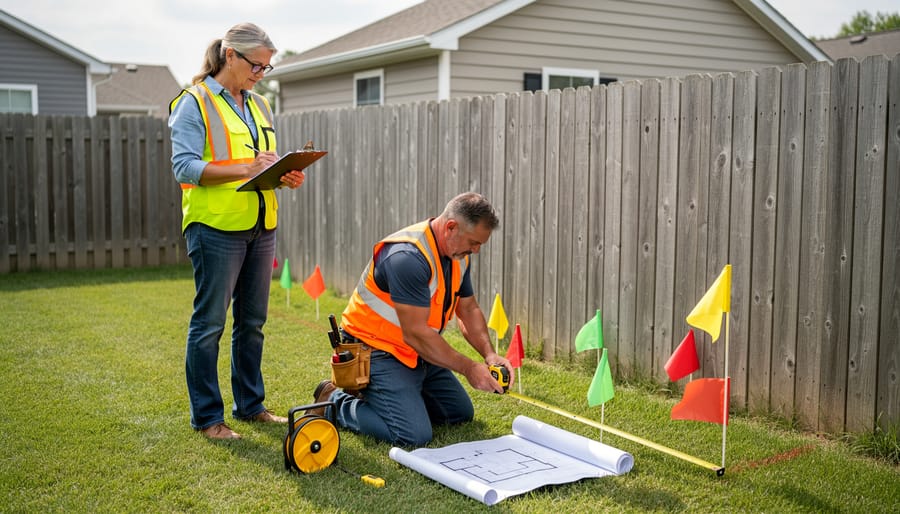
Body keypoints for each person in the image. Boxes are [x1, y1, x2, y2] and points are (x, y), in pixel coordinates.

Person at [169, 23, 306, 440]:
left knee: (253, 324)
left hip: (261, 226)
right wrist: (246, 168)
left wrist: (284, 175)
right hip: (214, 229)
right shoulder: (193, 103)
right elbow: (185, 168)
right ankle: (208, 419)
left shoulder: (261, 106)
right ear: (230, 55)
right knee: (209, 325)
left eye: (266, 68)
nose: (261, 74)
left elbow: (260, 164)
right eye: (256, 66)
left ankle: (250, 405)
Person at [309, 192, 514, 446]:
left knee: (459, 414)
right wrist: (469, 368)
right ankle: (335, 401)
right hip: (376, 350)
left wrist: (489, 354)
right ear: (451, 227)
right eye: (474, 242)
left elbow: (468, 309)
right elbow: (416, 333)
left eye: (480, 244)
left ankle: (399, 399)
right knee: (412, 435)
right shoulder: (407, 257)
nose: (476, 250)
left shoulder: (458, 256)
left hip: (416, 350)